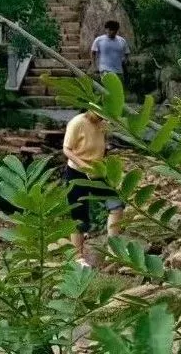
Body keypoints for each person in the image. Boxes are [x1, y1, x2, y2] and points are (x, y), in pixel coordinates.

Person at [63, 109, 125, 267]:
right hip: (77, 172)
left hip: (97, 172)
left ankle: (114, 250)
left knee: (116, 204)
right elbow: (66, 149)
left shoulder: (102, 124)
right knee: (79, 215)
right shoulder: (77, 122)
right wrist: (84, 166)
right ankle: (78, 258)